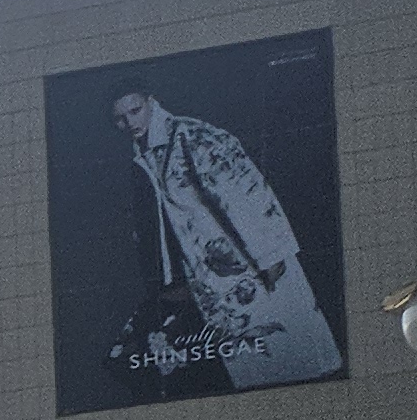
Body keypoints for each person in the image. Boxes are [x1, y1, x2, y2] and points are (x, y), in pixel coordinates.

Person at [106, 85, 344, 396]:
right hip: (211, 278)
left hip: (254, 262)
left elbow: (245, 190)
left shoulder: (194, 136)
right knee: (255, 365)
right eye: (120, 118)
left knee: (296, 346)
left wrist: (271, 254)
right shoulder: (144, 154)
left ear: (151, 102)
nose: (130, 123)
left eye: (135, 111)